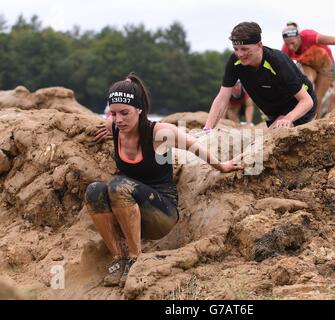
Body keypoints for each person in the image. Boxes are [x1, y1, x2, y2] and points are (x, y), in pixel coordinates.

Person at [86, 72, 243, 287]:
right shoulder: (114, 127)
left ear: (139, 110)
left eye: (125, 113)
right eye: (114, 113)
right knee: (94, 190)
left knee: (117, 185)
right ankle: (119, 259)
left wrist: (221, 166)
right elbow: (111, 123)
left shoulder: (159, 132)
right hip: (128, 213)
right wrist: (111, 123)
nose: (119, 119)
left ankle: (135, 259)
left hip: (162, 213)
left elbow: (194, 146)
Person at [204, 21, 316, 132]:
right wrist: (207, 128)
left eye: (244, 49)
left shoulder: (277, 61)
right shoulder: (235, 61)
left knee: (270, 138)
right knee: (264, 139)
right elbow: (222, 98)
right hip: (276, 110)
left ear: (259, 45)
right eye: (236, 49)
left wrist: (288, 118)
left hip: (299, 106)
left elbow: (307, 101)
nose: (240, 54)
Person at [281, 22, 335, 119]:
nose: (290, 47)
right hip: (309, 66)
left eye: (292, 43)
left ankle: (316, 122)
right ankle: (306, 120)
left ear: (299, 37)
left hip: (326, 66)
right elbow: (281, 68)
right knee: (307, 91)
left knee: (317, 98)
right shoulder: (285, 49)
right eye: (287, 44)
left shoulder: (308, 35)